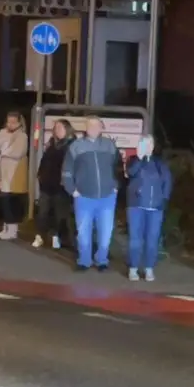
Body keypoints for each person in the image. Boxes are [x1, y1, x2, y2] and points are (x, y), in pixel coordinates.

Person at [61, 116, 121, 271]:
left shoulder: (109, 145)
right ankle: (84, 261)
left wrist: (116, 185)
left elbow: (118, 167)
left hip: (107, 197)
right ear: (86, 128)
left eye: (96, 125)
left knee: (105, 233)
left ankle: (102, 260)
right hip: (84, 197)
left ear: (101, 128)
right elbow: (67, 170)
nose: (93, 128)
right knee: (83, 232)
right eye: (90, 125)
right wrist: (72, 189)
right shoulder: (76, 146)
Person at [124, 135, 173, 282]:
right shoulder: (133, 160)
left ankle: (149, 268)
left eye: (150, 144)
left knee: (152, 239)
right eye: (144, 144)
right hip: (136, 206)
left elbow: (167, 181)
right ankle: (133, 268)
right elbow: (131, 173)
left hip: (155, 208)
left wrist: (164, 200)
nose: (148, 147)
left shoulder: (159, 163)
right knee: (135, 239)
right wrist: (139, 158)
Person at [0, 112, 30, 240]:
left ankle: (12, 230)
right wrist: (2, 141)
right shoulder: (3, 133)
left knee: (10, 201)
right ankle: (5, 228)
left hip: (14, 172)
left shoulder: (22, 136)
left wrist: (4, 150)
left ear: (19, 123)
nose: (10, 125)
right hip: (1, 172)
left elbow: (18, 152)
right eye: (8, 122)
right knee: (3, 201)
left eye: (13, 122)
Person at [33, 119, 75, 249]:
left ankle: (61, 240)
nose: (57, 130)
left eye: (60, 128)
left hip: (61, 187)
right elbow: (44, 161)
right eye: (56, 128)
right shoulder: (51, 144)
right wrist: (40, 175)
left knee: (60, 215)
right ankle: (40, 236)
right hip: (46, 185)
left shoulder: (72, 145)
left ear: (67, 129)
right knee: (42, 213)